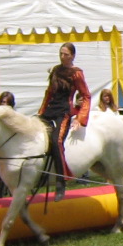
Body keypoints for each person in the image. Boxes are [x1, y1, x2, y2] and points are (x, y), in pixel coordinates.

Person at [40, 42, 91, 199]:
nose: (62, 57)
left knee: (56, 141)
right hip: (50, 109)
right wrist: (41, 113)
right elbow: (49, 93)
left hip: (64, 112)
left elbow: (86, 95)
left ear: (73, 56)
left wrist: (80, 118)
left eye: (66, 54)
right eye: (61, 54)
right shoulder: (56, 70)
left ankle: (61, 181)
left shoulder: (76, 73)